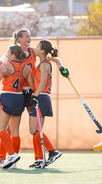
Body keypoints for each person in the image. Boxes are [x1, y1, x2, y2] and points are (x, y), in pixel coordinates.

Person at [0, 29, 69, 166]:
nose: (29, 38)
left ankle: (39, 158)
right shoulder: (13, 52)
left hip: (33, 92)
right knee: (10, 128)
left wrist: (61, 67)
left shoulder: (34, 51)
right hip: (18, 93)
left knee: (35, 128)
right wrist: (0, 68)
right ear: (19, 39)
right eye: (26, 36)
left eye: (30, 36)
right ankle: (5, 157)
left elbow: (55, 58)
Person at [0, 45, 34, 169]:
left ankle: (11, 155)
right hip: (19, 98)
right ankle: (14, 162)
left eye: (8, 52)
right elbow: (32, 87)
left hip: (7, 97)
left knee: (0, 129)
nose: (6, 54)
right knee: (15, 130)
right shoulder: (26, 68)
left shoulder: (6, 65)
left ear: (12, 55)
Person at [29, 40, 64, 168]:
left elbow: (43, 82)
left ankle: (53, 151)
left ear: (43, 50)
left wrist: (34, 95)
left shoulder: (44, 64)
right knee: (36, 131)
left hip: (41, 97)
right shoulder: (44, 62)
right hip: (42, 97)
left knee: (34, 130)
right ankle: (40, 158)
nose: (35, 48)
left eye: (37, 47)